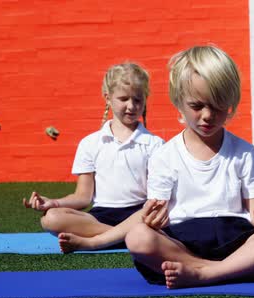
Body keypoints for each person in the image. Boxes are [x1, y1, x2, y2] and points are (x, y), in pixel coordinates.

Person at [122, 45, 254, 289]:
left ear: (230, 102)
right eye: (197, 106)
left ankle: (205, 273)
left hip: (235, 235)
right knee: (137, 237)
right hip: (183, 240)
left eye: (218, 106)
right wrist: (153, 217)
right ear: (179, 101)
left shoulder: (244, 151)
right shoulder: (164, 155)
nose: (208, 115)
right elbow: (158, 212)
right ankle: (242, 268)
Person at [23, 62, 164, 252]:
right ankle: (123, 237)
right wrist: (53, 203)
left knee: (155, 216)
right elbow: (83, 197)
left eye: (137, 100)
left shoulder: (155, 144)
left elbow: (156, 196)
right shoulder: (90, 143)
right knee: (51, 218)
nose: (131, 106)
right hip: (100, 217)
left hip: (138, 214)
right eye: (123, 99)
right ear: (108, 98)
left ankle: (107, 238)